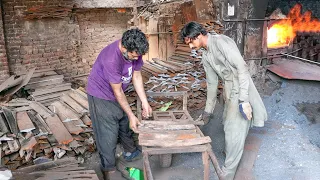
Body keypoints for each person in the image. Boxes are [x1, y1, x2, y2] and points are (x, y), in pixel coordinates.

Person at [180, 22, 267, 180]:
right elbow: (212, 85)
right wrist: (208, 111)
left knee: (235, 129)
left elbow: (241, 68)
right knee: (227, 124)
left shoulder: (221, 42)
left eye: (191, 42)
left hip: (241, 87)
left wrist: (244, 100)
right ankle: (232, 152)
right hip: (228, 89)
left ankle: (228, 173)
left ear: (198, 36)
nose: (191, 47)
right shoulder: (206, 55)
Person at [86, 28, 152, 180]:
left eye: (138, 56)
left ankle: (130, 152)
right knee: (108, 131)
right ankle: (108, 168)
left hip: (117, 92)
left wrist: (144, 102)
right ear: (123, 47)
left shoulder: (136, 52)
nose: (136, 59)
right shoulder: (111, 58)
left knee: (123, 122)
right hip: (100, 94)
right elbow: (118, 92)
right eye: (133, 56)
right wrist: (132, 115)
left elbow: (136, 76)